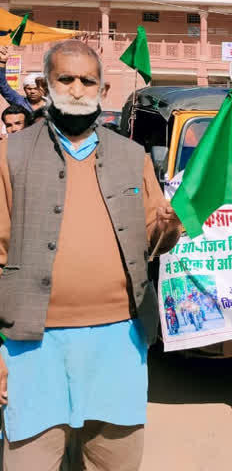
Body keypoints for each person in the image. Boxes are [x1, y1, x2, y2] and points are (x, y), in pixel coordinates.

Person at [0, 40, 182, 470]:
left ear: (102, 89)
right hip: (32, 345)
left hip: (120, 341)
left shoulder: (131, 155)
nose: (78, 89)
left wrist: (170, 226)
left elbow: (154, 239)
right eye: (66, 79)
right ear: (46, 86)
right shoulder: (11, 154)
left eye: (88, 80)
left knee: (113, 461)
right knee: (29, 459)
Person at [0, 46, 46, 113]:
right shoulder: (20, 102)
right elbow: (3, 86)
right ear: (24, 89)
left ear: (42, 89)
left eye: (36, 88)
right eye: (29, 89)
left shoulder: (51, 105)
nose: (32, 91)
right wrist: (2, 62)